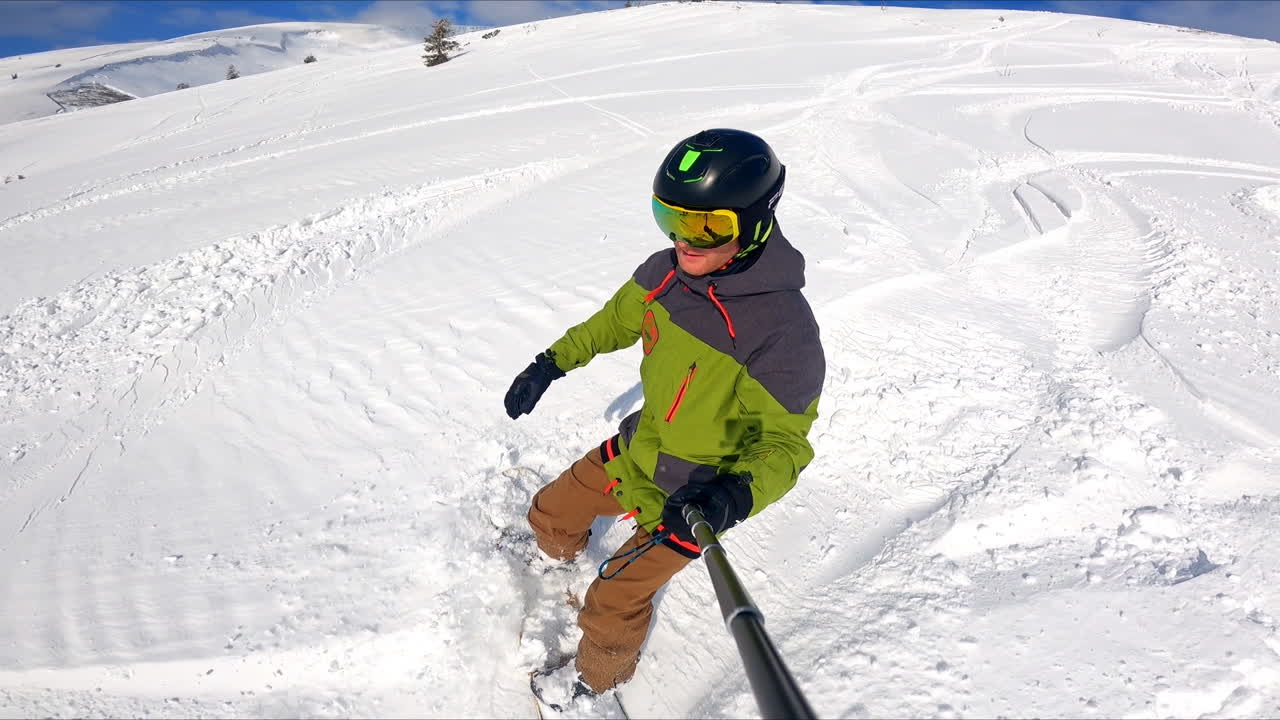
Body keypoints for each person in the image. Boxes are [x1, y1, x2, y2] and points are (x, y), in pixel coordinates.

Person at [505, 128, 825, 709]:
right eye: (670, 218)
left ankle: (595, 682)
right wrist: (549, 364)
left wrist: (733, 496)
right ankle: (550, 558)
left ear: (755, 223)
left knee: (613, 598)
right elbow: (610, 323)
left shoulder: (784, 330)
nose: (685, 241)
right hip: (639, 450)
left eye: (708, 227)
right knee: (551, 509)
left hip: (694, 496)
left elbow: (785, 444)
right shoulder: (665, 275)